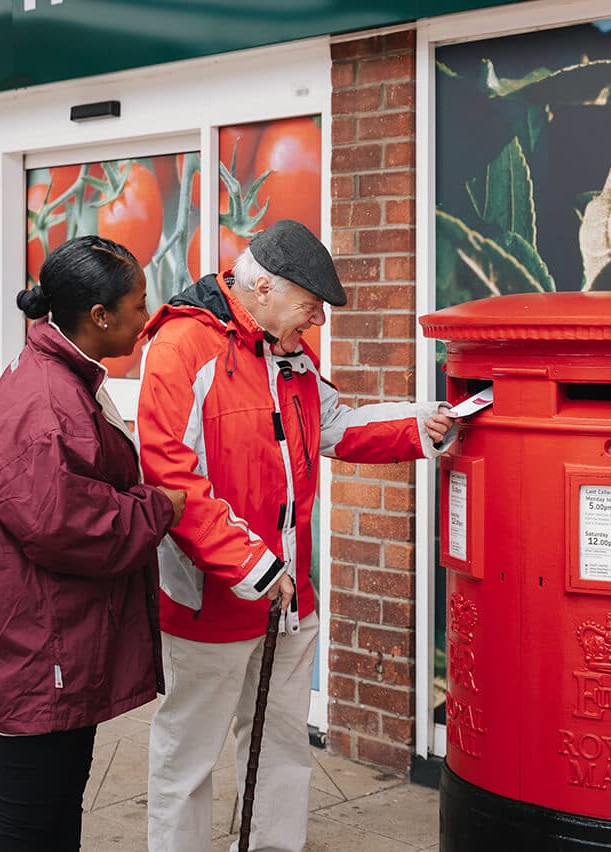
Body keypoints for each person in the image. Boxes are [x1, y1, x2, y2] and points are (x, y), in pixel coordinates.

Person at [137, 219, 457, 852]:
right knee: (188, 758)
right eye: (311, 306)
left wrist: (422, 425)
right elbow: (170, 477)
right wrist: (253, 566)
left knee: (281, 745)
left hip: (289, 599)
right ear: (261, 288)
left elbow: (334, 426)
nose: (319, 321)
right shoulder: (180, 348)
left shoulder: (289, 350)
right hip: (214, 602)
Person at [0, 235, 187, 852]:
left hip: (53, 635)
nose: (147, 315)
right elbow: (66, 525)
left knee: (57, 811)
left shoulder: (60, 373)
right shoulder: (47, 400)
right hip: (40, 642)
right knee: (28, 819)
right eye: (137, 305)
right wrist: (159, 506)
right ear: (100, 317)